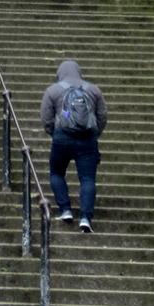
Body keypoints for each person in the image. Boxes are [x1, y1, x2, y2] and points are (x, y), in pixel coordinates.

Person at [40, 59, 108, 232]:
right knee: (88, 179)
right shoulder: (93, 90)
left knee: (56, 172)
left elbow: (46, 118)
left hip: (62, 138)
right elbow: (102, 116)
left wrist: (54, 133)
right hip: (88, 139)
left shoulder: (53, 91)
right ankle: (86, 218)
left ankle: (65, 209)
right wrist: (94, 133)